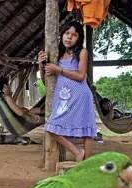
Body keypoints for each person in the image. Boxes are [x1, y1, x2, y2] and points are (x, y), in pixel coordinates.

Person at [38, 21, 97, 161]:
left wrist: (59, 70)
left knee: (86, 130)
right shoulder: (56, 54)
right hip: (65, 98)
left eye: (74, 35)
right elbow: (46, 80)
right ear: (62, 34)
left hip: (81, 96)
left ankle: (86, 165)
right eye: (67, 33)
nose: (69, 37)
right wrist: (41, 64)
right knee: (51, 127)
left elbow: (81, 76)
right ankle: (77, 153)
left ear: (79, 38)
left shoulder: (82, 52)